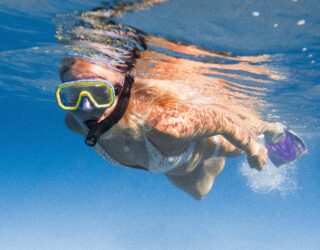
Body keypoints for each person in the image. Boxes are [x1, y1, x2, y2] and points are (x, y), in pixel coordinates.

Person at [55, 0, 307, 200]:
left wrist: (253, 151)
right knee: (199, 193)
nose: (85, 106)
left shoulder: (168, 126)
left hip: (197, 146)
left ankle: (274, 130)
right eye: (72, 95)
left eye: (100, 92)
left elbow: (226, 123)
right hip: (171, 164)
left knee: (243, 136)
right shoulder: (74, 122)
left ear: (124, 90)